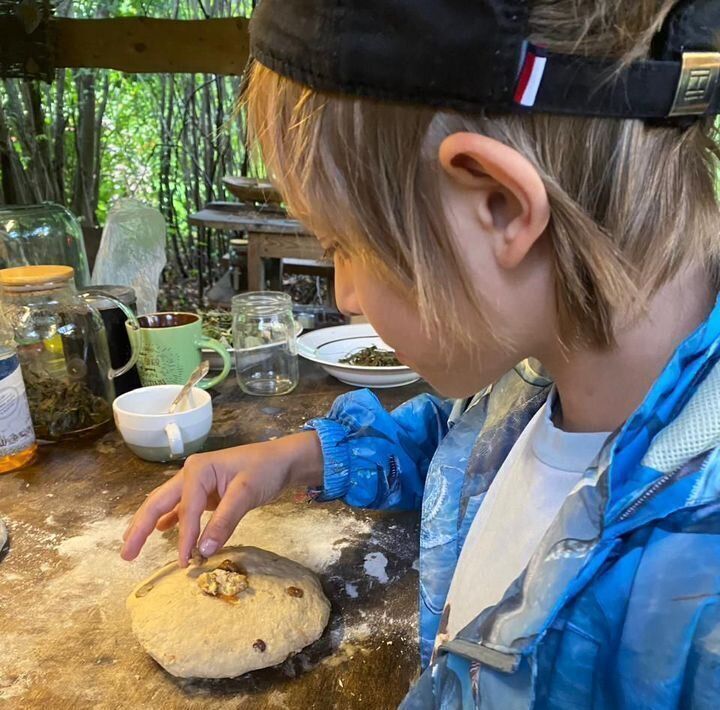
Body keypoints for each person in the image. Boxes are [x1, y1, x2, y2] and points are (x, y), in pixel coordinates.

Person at [122, 0, 720, 706]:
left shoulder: (694, 610)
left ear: (498, 205)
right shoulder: (552, 365)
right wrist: (303, 457)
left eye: (343, 245)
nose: (344, 295)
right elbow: (473, 445)